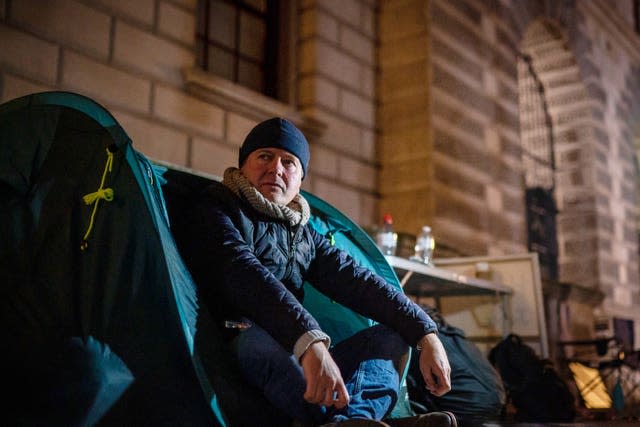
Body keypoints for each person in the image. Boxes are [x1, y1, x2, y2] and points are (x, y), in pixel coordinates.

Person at [184, 117, 456, 427]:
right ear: (244, 164)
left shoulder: (302, 233)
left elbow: (360, 282)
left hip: (298, 347)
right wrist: (310, 342)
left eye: (289, 162)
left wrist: (424, 332)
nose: (276, 168)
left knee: (390, 337)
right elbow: (245, 275)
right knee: (257, 342)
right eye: (264, 156)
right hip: (234, 341)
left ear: (300, 179)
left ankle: (354, 420)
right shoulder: (215, 209)